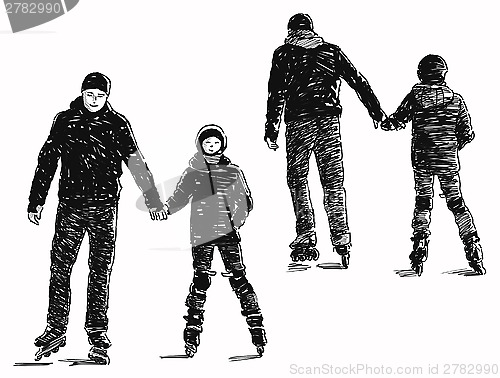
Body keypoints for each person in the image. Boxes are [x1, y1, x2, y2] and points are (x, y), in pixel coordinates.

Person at [28, 72, 167, 364]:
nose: (94, 101)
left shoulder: (117, 124)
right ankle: (55, 326)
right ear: (82, 93)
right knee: (60, 267)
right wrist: (36, 200)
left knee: (99, 271)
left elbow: (135, 162)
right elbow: (48, 159)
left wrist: (152, 199)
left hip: (104, 208)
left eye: (100, 96)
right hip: (70, 207)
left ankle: (97, 333)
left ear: (106, 96)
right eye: (90, 95)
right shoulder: (64, 121)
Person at [264, 13, 386, 266]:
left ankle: (306, 236)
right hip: (329, 123)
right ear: (311, 30)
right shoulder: (332, 52)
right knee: (333, 181)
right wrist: (376, 113)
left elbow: (276, 93)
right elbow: (358, 82)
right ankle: (341, 239)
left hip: (299, 124)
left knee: (298, 179)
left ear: (291, 31)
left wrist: (271, 129)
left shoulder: (284, 54)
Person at [165, 124, 267, 357]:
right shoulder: (192, 173)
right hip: (202, 235)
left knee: (239, 279)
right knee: (200, 281)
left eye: (215, 142)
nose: (212, 147)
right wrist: (164, 210)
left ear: (223, 144)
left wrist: (236, 221)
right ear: (200, 146)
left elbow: (246, 200)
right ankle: (191, 334)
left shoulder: (233, 172)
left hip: (228, 233)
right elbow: (179, 198)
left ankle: (257, 330)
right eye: (207, 143)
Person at [381, 54, 485, 276]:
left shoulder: (415, 97)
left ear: (421, 74)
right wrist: (450, 147)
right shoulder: (457, 100)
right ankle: (473, 246)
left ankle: (419, 245)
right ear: (443, 74)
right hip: (447, 161)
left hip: (422, 160)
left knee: (423, 203)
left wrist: (383, 121)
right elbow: (467, 133)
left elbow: (397, 120)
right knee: (457, 203)